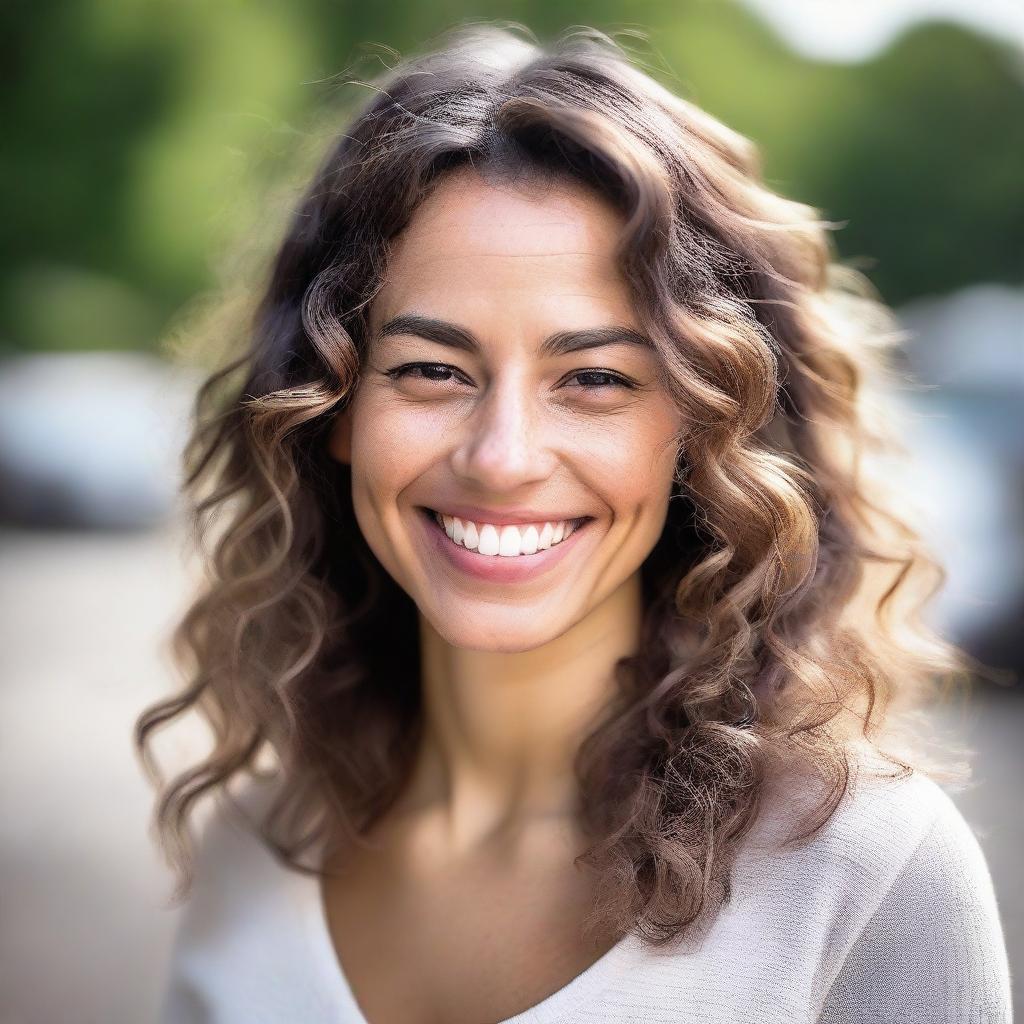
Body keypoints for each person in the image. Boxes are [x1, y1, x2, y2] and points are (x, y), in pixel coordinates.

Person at [136, 21, 1012, 1024]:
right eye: (432, 370)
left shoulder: (860, 870)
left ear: (703, 427)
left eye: (593, 378)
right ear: (330, 408)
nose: (502, 455)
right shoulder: (250, 849)